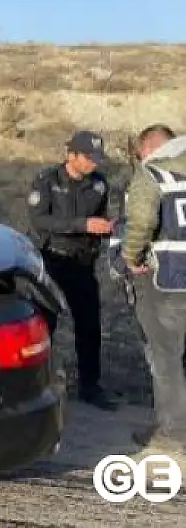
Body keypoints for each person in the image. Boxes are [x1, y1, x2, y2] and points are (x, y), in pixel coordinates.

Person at [27, 130, 118, 411]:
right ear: (72, 155)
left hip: (82, 263)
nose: (94, 164)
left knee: (89, 326)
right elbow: (40, 220)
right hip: (53, 260)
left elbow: (100, 217)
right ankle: (36, 385)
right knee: (45, 325)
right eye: (88, 158)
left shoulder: (100, 185)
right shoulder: (47, 181)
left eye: (97, 159)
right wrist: (83, 225)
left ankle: (90, 386)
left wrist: (105, 228)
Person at [118, 123, 186, 452]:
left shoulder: (152, 175)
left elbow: (142, 223)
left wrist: (130, 258)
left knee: (166, 357)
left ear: (148, 150)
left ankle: (172, 433)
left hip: (168, 282)